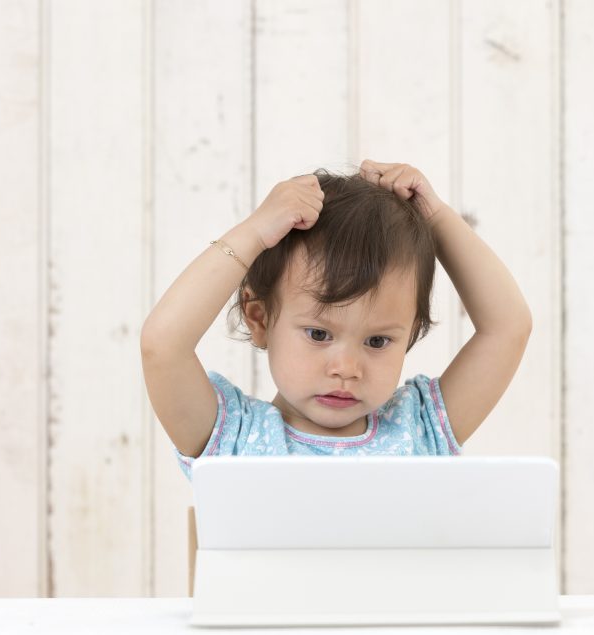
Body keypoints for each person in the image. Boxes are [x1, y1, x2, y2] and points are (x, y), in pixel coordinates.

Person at [140, 159, 531, 479]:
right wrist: (255, 232)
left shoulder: (418, 430)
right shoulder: (234, 441)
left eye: (377, 341)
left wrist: (436, 218)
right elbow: (163, 345)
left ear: (410, 334)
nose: (346, 369)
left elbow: (508, 327)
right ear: (259, 319)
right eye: (318, 333)